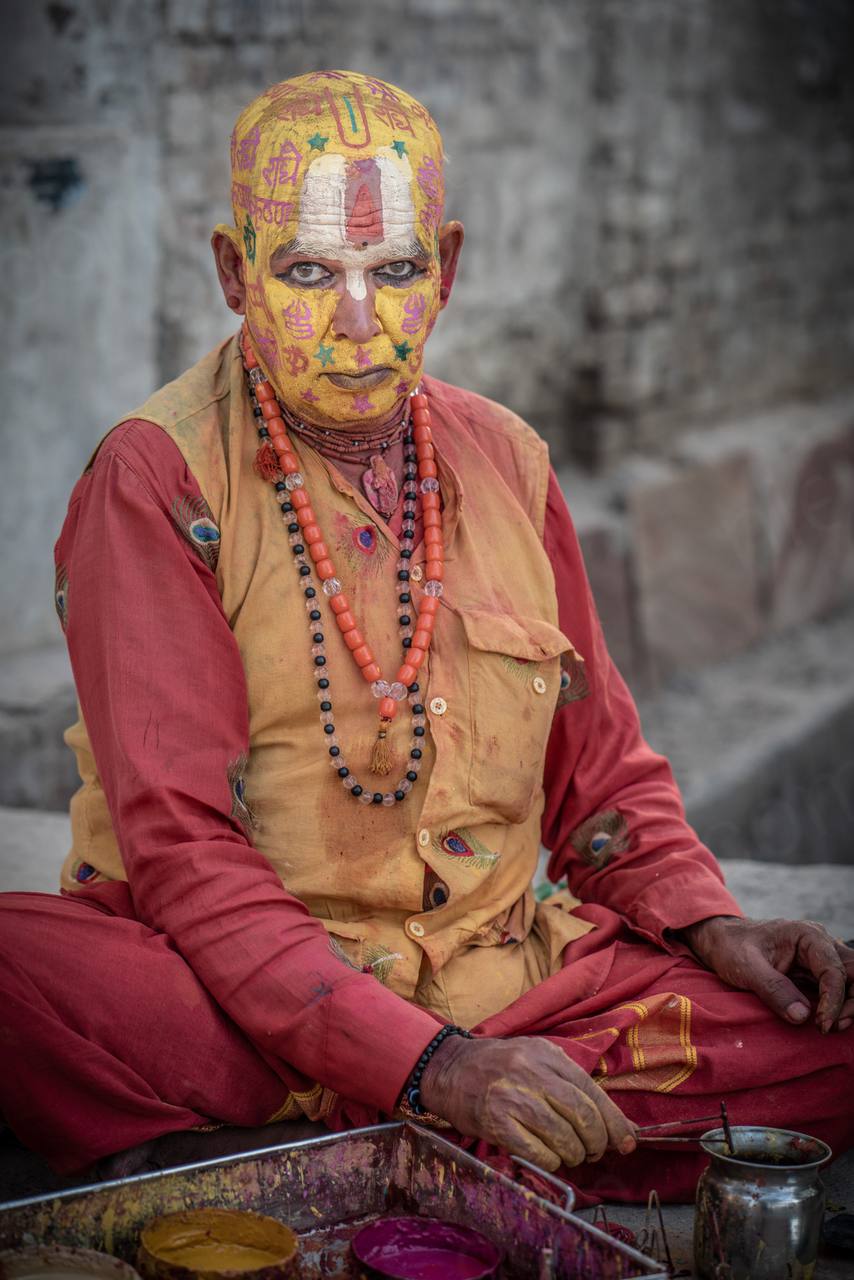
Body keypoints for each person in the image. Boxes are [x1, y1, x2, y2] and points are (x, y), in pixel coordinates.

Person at [1, 71, 851, 1202]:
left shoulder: (506, 459)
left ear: (442, 271)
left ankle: (283, 1169)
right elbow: (187, 855)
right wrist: (430, 1068)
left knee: (816, 1024)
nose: (358, 324)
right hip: (238, 1002)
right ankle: (433, 1143)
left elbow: (599, 783)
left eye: (392, 271)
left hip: (507, 987)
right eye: (308, 272)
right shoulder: (155, 476)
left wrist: (706, 920)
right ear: (233, 271)